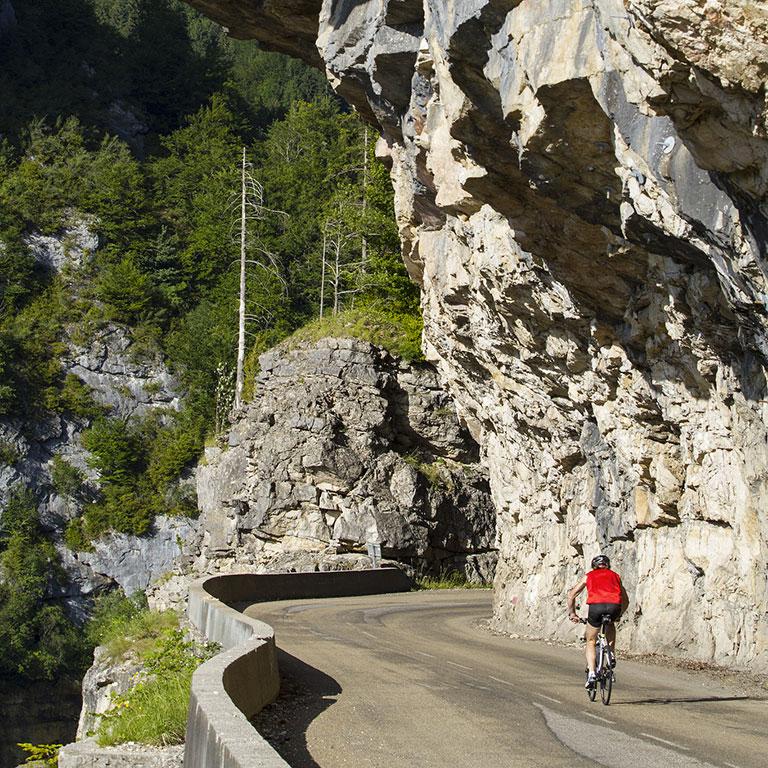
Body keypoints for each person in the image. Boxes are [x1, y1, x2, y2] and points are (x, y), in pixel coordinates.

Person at [566, 554, 628, 688]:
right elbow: (625, 599)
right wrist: (619, 613)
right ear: (608, 565)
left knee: (591, 641)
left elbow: (571, 594)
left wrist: (572, 613)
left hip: (596, 607)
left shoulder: (589, 575)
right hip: (614, 606)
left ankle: (592, 673)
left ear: (593, 566)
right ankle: (610, 653)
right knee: (610, 623)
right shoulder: (615, 576)